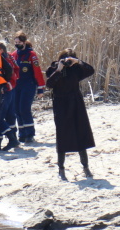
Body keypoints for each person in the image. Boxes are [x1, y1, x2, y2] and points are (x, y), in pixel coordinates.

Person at [45, 49, 95, 181]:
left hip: (76, 102)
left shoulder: (76, 69)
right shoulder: (53, 68)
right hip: (60, 103)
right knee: (62, 135)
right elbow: (49, 84)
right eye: (65, 58)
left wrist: (77, 62)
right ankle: (61, 168)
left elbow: (91, 70)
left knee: (80, 133)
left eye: (70, 58)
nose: (67, 60)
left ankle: (86, 167)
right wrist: (59, 70)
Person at [10, 31, 46, 144]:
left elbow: (37, 71)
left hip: (28, 85)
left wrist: (40, 88)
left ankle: (30, 133)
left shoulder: (31, 54)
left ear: (24, 42)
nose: (17, 44)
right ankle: (22, 133)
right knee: (17, 110)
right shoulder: (13, 54)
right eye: (15, 42)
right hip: (17, 85)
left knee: (24, 108)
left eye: (19, 42)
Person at [0, 40, 20, 151]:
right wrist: (13, 83)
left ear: (1, 50)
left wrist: (7, 84)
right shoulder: (9, 57)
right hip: (11, 89)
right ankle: (8, 140)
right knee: (9, 115)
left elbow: (12, 72)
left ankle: (11, 139)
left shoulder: (2, 59)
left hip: (5, 90)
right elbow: (17, 70)